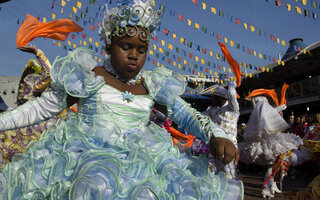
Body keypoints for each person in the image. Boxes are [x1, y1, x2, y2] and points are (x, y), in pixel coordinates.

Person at [0, 1, 243, 199]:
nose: (134, 55)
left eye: (141, 49)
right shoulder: (88, 77)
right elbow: (41, 108)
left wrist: (215, 134)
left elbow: (187, 115)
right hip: (87, 161)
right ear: (108, 45)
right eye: (125, 46)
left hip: (143, 166)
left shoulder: (152, 85)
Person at [238, 90, 302, 198]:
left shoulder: (258, 112)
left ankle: (272, 185)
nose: (267, 105)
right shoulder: (262, 112)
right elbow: (269, 114)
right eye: (266, 102)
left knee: (272, 166)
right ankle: (267, 187)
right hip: (267, 145)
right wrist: (280, 108)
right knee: (270, 166)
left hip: (266, 144)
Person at [201, 81, 240, 180]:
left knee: (229, 173)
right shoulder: (212, 111)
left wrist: (231, 85)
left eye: (214, 97)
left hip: (229, 147)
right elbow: (199, 116)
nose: (212, 99)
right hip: (214, 146)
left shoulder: (232, 109)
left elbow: (231, 94)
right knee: (211, 171)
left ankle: (231, 193)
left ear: (221, 98)